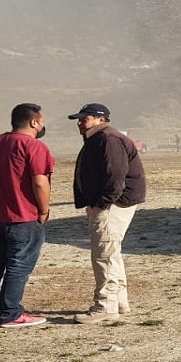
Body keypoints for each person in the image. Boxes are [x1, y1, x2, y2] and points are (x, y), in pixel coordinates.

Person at [0, 103, 53, 329]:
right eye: (42, 121)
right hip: (23, 216)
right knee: (19, 264)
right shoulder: (34, 146)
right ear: (34, 122)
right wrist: (43, 210)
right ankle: (11, 313)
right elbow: (40, 181)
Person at [67, 103, 147, 324]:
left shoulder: (108, 139)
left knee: (104, 254)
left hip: (113, 205)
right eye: (80, 119)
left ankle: (105, 306)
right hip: (113, 203)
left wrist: (102, 203)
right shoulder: (102, 138)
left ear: (101, 119)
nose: (80, 123)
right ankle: (119, 301)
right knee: (111, 252)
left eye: (86, 118)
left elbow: (115, 176)